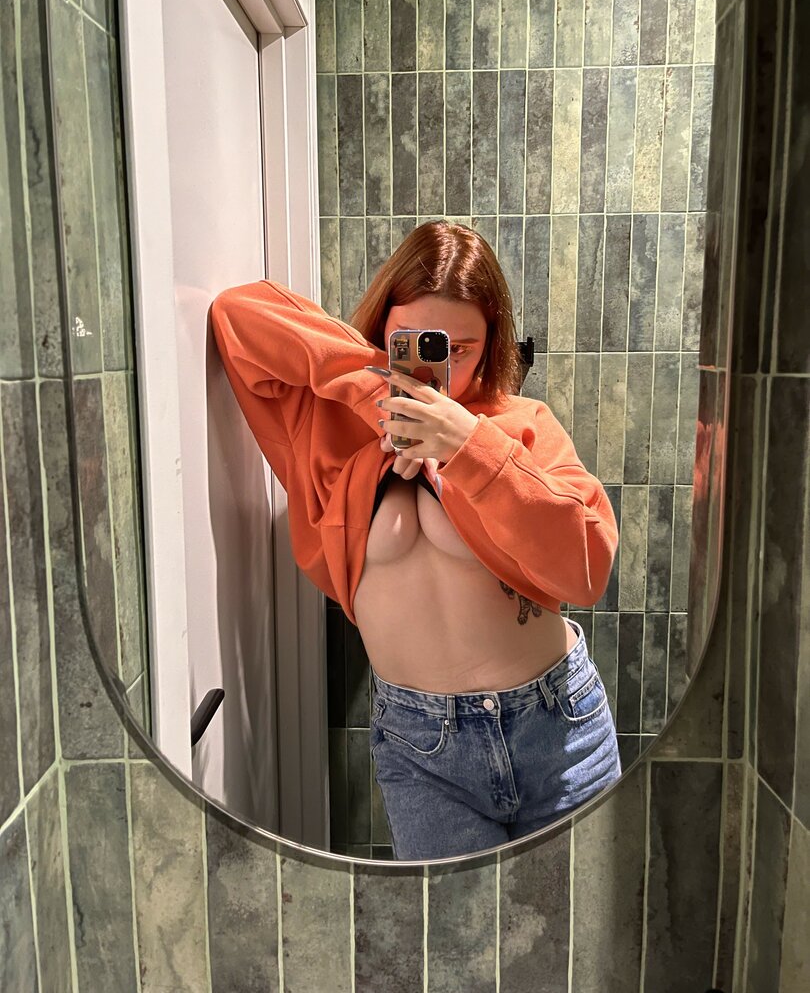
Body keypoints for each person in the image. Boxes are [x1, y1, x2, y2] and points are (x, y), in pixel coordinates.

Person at [210, 220, 621, 861]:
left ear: (492, 344)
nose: (439, 366)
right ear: (383, 328)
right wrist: (381, 389)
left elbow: (587, 567)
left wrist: (467, 446)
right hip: (423, 749)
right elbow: (237, 316)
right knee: (453, 930)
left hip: (558, 726)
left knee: (578, 926)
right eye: (416, 342)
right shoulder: (331, 421)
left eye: (463, 348)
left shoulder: (521, 426)